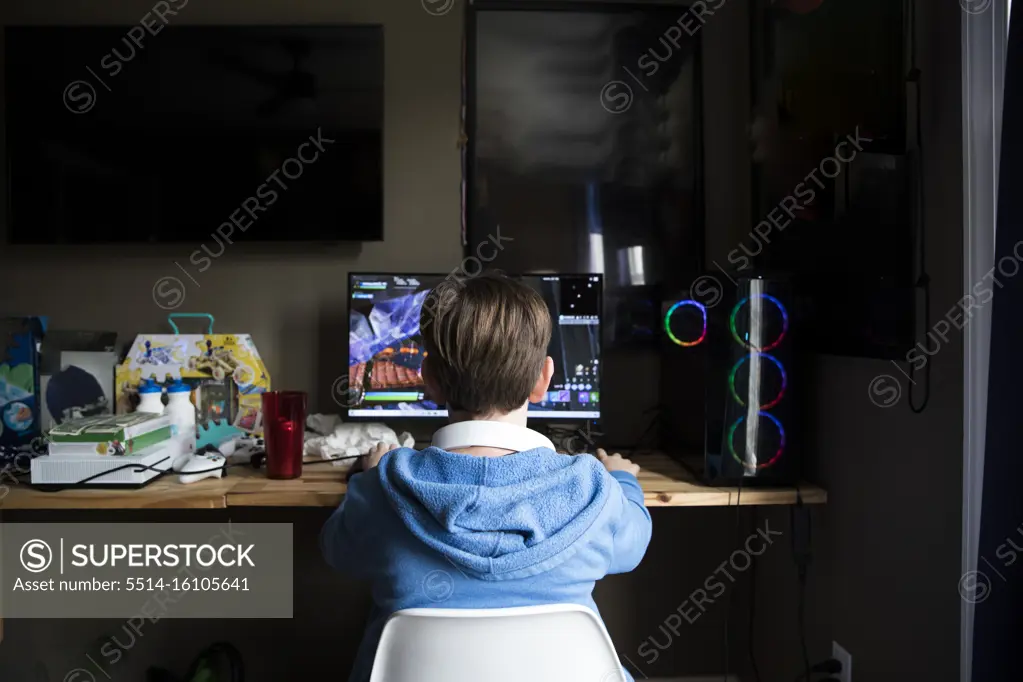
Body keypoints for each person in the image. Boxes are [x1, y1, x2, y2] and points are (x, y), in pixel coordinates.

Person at [320, 271, 652, 682]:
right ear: (543, 380)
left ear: (430, 381)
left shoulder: (383, 488)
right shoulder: (594, 491)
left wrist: (364, 481)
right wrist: (622, 481)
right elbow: (633, 545)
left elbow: (338, 551)